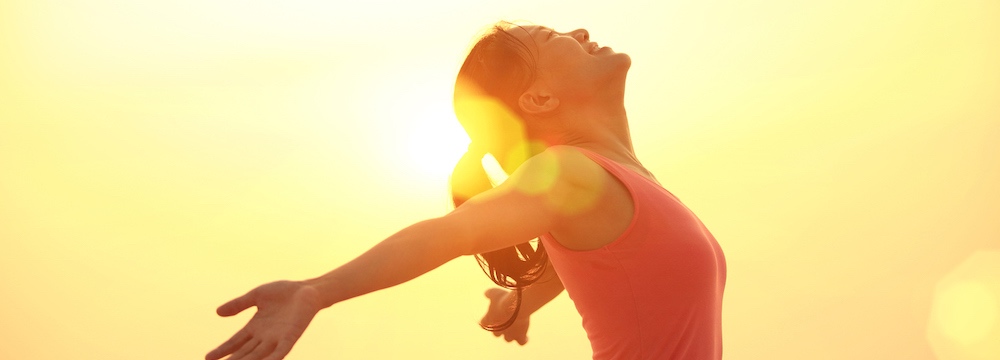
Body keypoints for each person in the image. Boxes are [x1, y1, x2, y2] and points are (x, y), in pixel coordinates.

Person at [206, 22, 726, 360]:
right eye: (553, 37)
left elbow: (619, 271)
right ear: (539, 97)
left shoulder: (611, 181)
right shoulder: (572, 173)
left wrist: (521, 299)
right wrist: (315, 290)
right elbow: (452, 233)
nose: (581, 29)